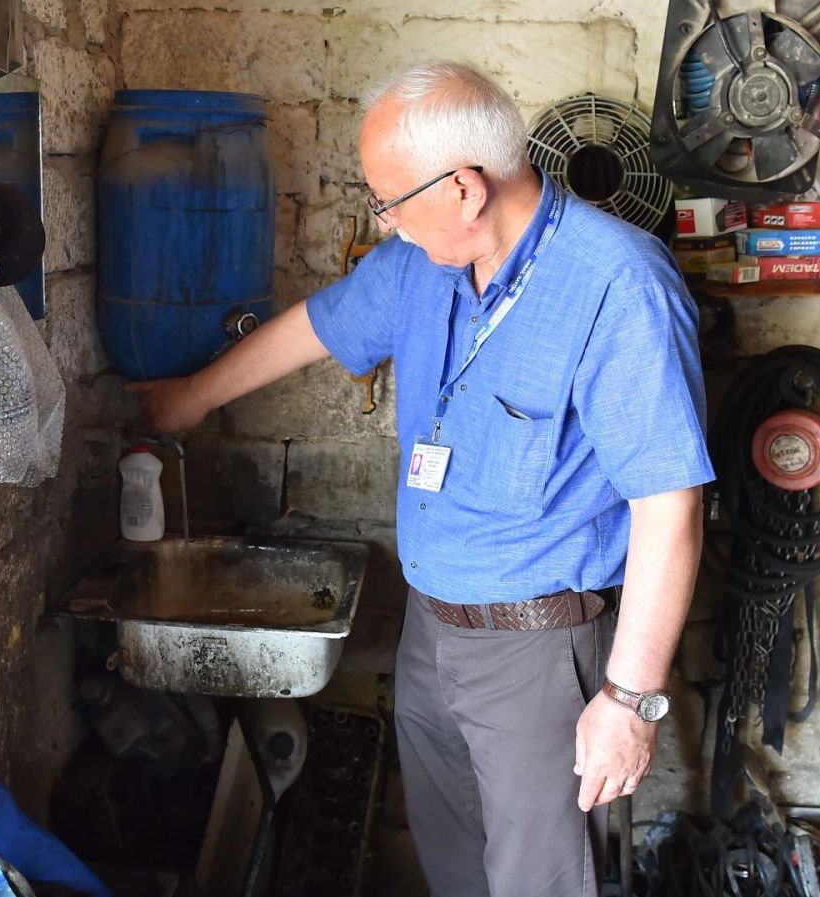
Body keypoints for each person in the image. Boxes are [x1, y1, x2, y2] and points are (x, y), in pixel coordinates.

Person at [133, 62, 712, 897]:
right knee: (455, 871)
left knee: (540, 884)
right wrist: (189, 398)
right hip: (431, 634)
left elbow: (669, 508)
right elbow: (317, 326)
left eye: (390, 202)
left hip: (537, 653)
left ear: (466, 188)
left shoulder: (617, 284)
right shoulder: (422, 265)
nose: (387, 222)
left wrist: (629, 697)